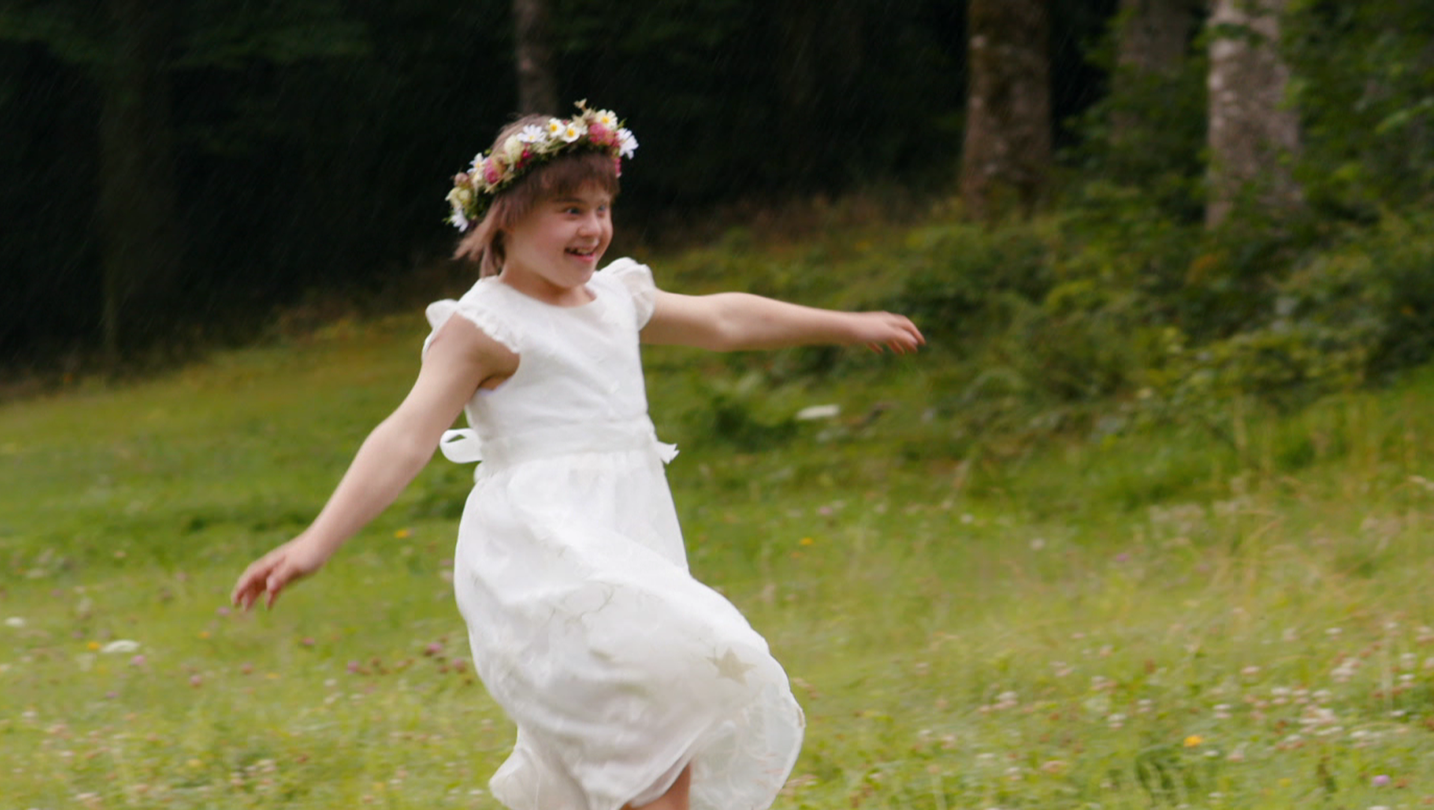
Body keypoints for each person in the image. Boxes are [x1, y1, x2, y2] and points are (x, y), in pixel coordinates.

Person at [232, 102, 924, 810]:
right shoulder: (483, 327)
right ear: (505, 216)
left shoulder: (617, 297)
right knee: (650, 733)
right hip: (543, 553)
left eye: (601, 207)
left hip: (629, 536)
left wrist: (844, 324)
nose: (592, 228)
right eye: (568, 209)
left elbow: (724, 318)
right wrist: (317, 542)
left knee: (659, 725)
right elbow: (406, 436)